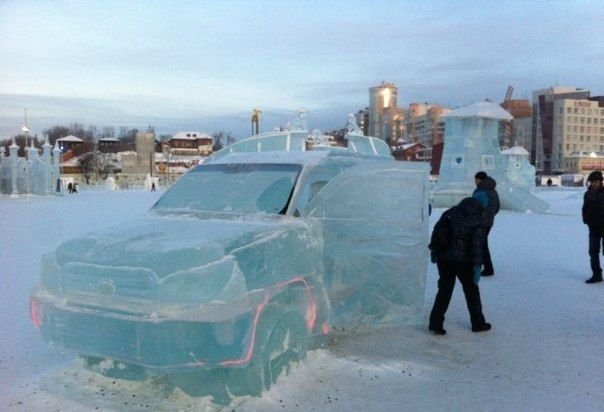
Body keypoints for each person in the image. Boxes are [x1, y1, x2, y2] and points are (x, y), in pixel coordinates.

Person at [428, 196, 491, 335]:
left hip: (444, 258)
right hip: (464, 262)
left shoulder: (452, 211)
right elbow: (477, 245)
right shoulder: (479, 219)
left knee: (444, 290)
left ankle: (435, 323)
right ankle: (478, 323)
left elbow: (437, 230)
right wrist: (476, 266)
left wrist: (434, 250)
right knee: (471, 291)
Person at [472, 171, 500, 276]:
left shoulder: (481, 191)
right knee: (482, 243)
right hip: (488, 222)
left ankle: (487, 268)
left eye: (476, 179)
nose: (475, 181)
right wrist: (490, 215)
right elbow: (497, 207)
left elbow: (473, 206)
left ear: (481, 179)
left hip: (480, 222)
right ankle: (484, 266)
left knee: (481, 244)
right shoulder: (493, 191)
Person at [582, 170, 604, 284]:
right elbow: (584, 208)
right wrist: (586, 220)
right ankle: (596, 275)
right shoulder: (588, 194)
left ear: (600, 182)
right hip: (594, 228)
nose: (593, 184)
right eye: (592, 182)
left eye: (595, 181)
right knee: (593, 252)